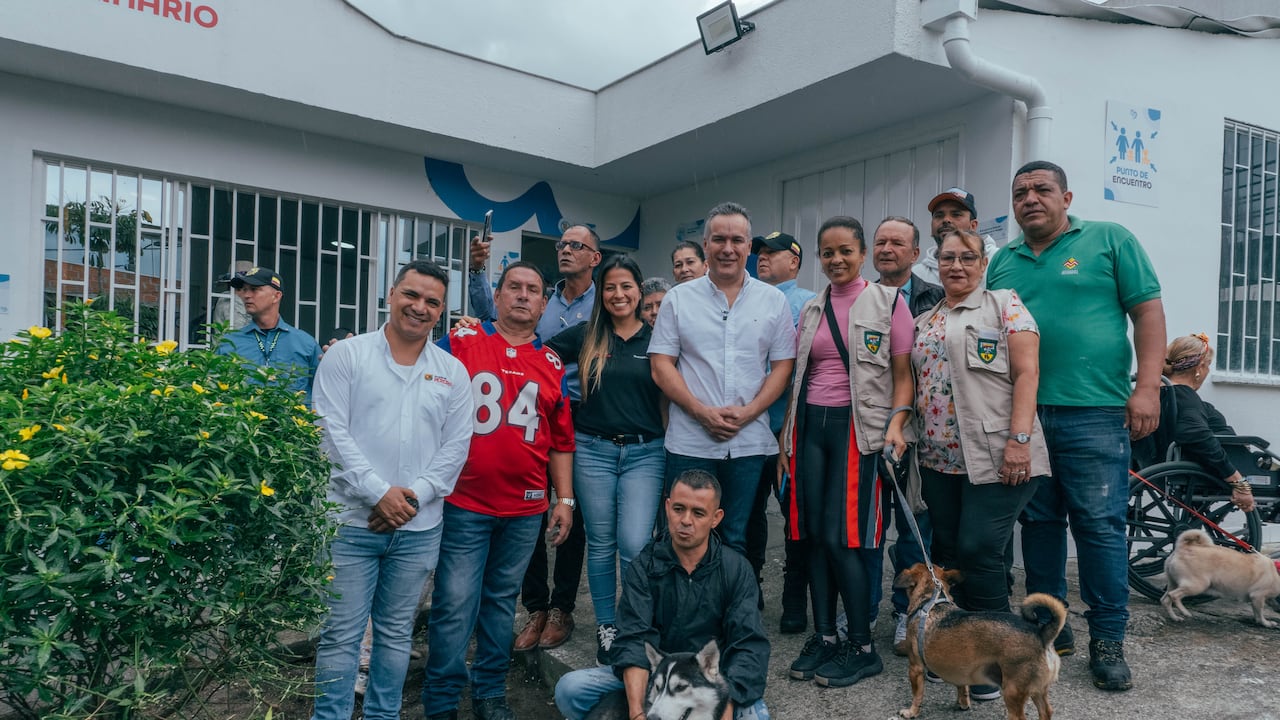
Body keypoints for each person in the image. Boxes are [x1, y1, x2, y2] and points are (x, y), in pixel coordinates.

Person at [988, 160, 1166, 692]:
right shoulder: (1003, 261)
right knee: (1039, 526)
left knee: (1099, 527)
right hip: (1026, 418)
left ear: (1067, 198)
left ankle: (1107, 640)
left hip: (1095, 412)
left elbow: (1149, 315)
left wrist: (1148, 388)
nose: (1030, 199)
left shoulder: (1110, 240)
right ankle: (1050, 626)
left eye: (1042, 189)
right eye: (1020, 192)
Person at [309, 260, 473, 720]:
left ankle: (384, 715)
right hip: (349, 524)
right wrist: (379, 493)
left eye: (431, 301)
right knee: (341, 634)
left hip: (419, 529)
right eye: (411, 295)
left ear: (441, 311)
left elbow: (456, 447)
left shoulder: (452, 372)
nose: (419, 308)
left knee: (397, 633)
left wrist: (410, 499)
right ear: (391, 294)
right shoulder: (348, 356)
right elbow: (329, 433)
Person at [422, 261, 577, 720]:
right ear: (498, 294)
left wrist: (563, 499)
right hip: (464, 502)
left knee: (499, 604)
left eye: (533, 290)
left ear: (544, 304)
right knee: (453, 604)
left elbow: (561, 442)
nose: (524, 296)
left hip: (524, 509)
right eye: (515, 287)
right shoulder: (463, 341)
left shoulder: (551, 363)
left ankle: (490, 691)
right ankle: (443, 699)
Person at [909, 228, 1049, 702]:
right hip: (938, 460)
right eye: (947, 257)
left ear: (983, 262)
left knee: (979, 549)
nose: (956, 265)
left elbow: (1028, 371)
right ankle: (958, 657)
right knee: (949, 554)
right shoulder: (925, 317)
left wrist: (1020, 441)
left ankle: (1000, 661)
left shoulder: (1004, 304)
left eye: (967, 257)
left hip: (998, 454)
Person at [780, 215, 913, 688]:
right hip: (809, 429)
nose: (837, 260)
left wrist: (897, 423)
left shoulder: (889, 301)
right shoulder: (811, 308)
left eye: (846, 252)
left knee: (847, 539)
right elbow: (799, 376)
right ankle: (825, 637)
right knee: (814, 537)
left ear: (862, 255)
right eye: (828, 253)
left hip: (859, 433)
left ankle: (861, 645)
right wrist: (786, 441)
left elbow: (903, 376)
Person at [552, 470, 771, 720]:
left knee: (757, 716)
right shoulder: (644, 566)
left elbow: (749, 645)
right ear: (667, 507)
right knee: (570, 689)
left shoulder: (736, 569)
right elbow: (634, 638)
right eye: (679, 509)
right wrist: (636, 714)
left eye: (698, 513)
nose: (686, 520)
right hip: (655, 676)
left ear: (715, 518)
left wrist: (726, 705)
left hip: (708, 683)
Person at [649, 202, 798, 558]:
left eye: (737, 240)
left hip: (747, 443)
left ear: (749, 246)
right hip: (689, 442)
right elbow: (661, 365)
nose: (728, 248)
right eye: (719, 239)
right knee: (682, 537)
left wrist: (749, 413)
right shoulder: (678, 299)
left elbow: (782, 367)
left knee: (735, 536)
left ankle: (730, 612)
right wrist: (701, 412)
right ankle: (685, 613)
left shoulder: (773, 301)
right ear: (705, 245)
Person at [546, 254, 667, 665]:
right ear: (602, 292)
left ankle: (635, 623)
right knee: (600, 544)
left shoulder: (658, 338)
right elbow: (536, 357)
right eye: (610, 287)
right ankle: (607, 626)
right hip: (592, 452)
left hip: (645, 453)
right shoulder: (586, 335)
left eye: (626, 287)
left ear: (639, 292)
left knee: (635, 543)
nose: (618, 294)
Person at [869, 215, 942, 652]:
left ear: (916, 254)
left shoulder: (935, 299)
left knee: (916, 529)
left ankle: (908, 613)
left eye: (897, 243)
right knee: (865, 529)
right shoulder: (856, 299)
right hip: (866, 429)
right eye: (880, 242)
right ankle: (859, 607)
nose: (887, 249)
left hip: (920, 434)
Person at [748, 231, 816, 632]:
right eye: (760, 252)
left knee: (795, 521)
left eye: (773, 253)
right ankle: (748, 592)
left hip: (789, 433)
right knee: (747, 518)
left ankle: (794, 602)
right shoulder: (745, 299)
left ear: (795, 260)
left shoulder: (807, 303)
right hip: (748, 431)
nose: (762, 258)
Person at [1151, 333, 1255, 512]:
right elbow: (1195, 434)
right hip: (1202, 471)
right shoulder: (1185, 396)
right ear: (1199, 367)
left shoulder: (1159, 395)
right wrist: (1239, 482)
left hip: (1157, 468)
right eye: (1208, 366)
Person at [216, 266, 321, 405]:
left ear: (276, 296)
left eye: (254, 289)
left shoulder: (305, 344)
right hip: (245, 425)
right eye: (244, 289)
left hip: (291, 425)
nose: (246, 295)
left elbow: (324, 392)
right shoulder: (229, 343)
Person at [913, 187, 1000, 286]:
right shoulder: (917, 274)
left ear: (973, 225)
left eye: (956, 214)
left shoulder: (997, 260)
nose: (946, 220)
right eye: (939, 215)